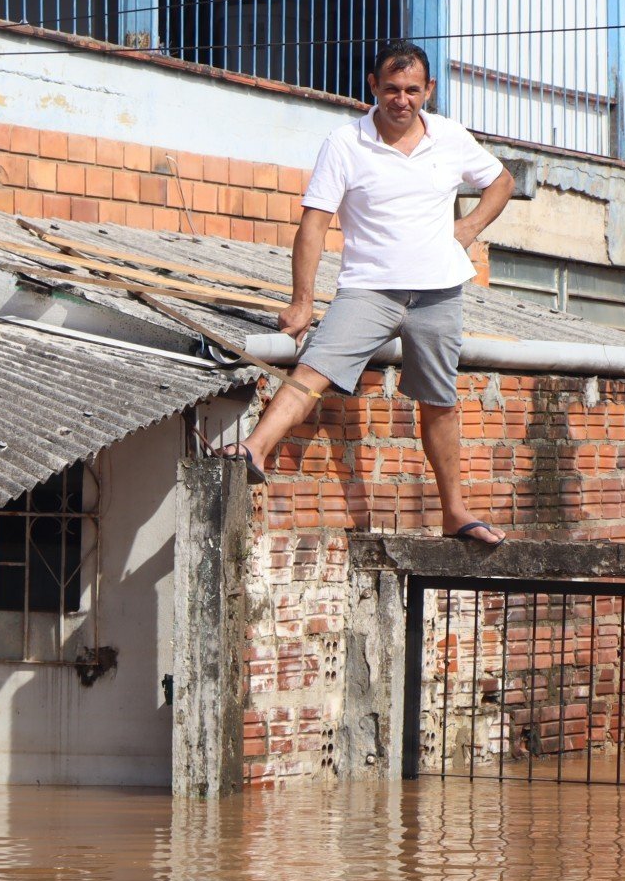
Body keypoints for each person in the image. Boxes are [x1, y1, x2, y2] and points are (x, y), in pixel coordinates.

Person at [221, 39, 515, 544]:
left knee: (440, 399)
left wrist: (466, 231)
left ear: (429, 91)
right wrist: (302, 301)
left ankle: (455, 513)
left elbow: (502, 180)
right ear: (373, 87)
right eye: (392, 89)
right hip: (368, 289)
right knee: (315, 367)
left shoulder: (449, 136)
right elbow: (313, 225)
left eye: (413, 90)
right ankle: (255, 448)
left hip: (439, 291)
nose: (402, 99)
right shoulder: (345, 142)